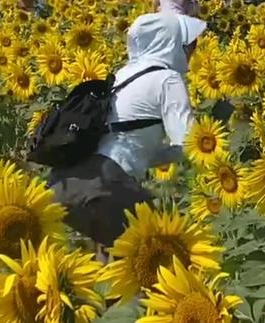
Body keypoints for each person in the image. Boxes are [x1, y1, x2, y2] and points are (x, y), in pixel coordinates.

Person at [49, 13, 206, 259]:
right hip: (107, 184)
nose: (192, 51)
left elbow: (127, 141)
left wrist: (153, 156)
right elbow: (190, 142)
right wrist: (216, 148)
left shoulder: (123, 75)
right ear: (171, 43)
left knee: (114, 262)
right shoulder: (168, 79)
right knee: (162, 252)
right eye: (189, 44)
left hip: (68, 182)